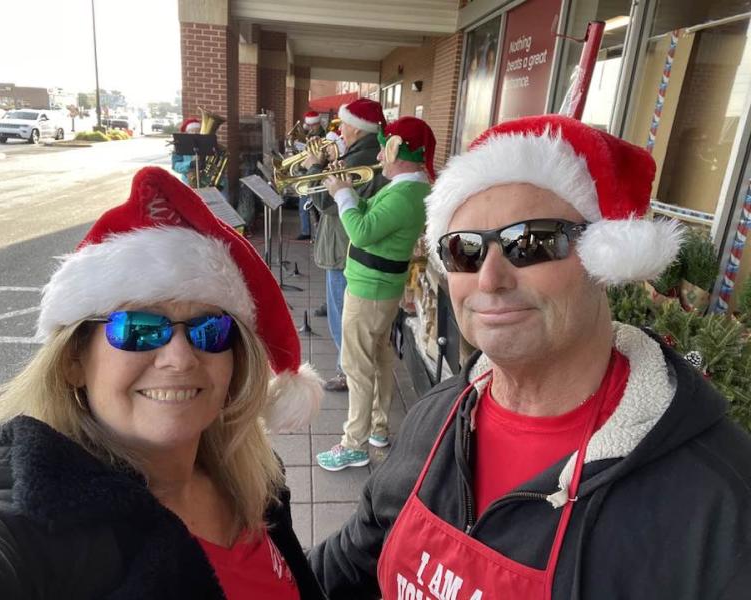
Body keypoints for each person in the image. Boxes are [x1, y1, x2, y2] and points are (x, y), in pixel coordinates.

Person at [308, 115, 751, 599]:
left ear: (602, 260)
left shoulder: (718, 503)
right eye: (464, 250)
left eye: (531, 242)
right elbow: (347, 562)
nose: (489, 278)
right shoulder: (439, 417)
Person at [0, 166, 327, 600]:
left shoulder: (255, 477)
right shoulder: (43, 516)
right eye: (139, 328)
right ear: (74, 360)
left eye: (209, 329)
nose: (180, 357)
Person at [315, 116, 436, 470]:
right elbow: (372, 215)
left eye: (386, 146)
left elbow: (362, 231)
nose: (380, 153)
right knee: (378, 359)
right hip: (380, 289)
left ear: (399, 150)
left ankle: (353, 443)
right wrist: (351, 194)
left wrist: (341, 196)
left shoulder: (405, 193)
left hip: (370, 291)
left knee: (357, 366)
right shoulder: (406, 188)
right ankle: (378, 428)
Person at [302, 99, 389, 392]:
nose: (341, 129)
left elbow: (325, 202)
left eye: (345, 123)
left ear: (356, 127)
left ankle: (346, 370)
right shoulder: (359, 154)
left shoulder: (358, 160)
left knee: (343, 315)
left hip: (343, 247)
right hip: (346, 244)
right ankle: (349, 367)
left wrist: (314, 167)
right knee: (344, 312)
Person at [296, 111, 327, 241]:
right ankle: (311, 230)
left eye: (313, 125)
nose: (311, 127)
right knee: (311, 206)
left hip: (315, 172)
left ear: (318, 123)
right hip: (309, 171)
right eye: (309, 125)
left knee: (310, 205)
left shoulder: (322, 136)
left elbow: (321, 157)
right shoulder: (310, 135)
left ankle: (308, 232)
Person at [171, 116, 200, 184]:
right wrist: (190, 164)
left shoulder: (208, 144)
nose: (195, 133)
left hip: (206, 182)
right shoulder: (179, 145)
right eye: (192, 131)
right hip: (188, 181)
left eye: (198, 131)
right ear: (187, 132)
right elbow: (175, 166)